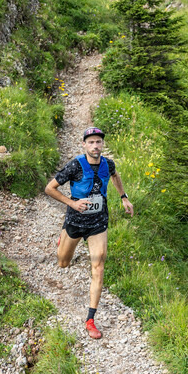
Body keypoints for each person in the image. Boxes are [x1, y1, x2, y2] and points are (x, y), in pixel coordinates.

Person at [45, 127, 134, 339]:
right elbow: (50, 188)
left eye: (99, 142)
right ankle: (64, 237)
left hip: (98, 222)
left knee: (99, 264)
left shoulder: (108, 164)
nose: (95, 146)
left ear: (102, 145)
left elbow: (115, 176)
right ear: (84, 145)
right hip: (75, 221)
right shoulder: (75, 165)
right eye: (91, 142)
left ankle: (90, 319)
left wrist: (123, 197)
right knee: (63, 263)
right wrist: (72, 204)